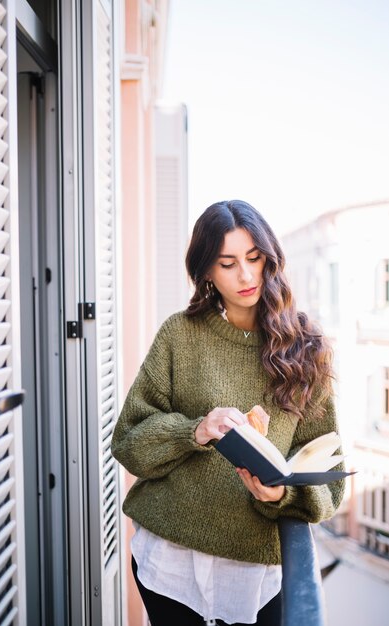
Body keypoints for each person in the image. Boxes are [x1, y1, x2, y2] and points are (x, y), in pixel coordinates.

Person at [111, 200, 345, 625]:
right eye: (228, 263)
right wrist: (195, 430)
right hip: (170, 559)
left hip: (255, 570)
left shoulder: (306, 348)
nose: (246, 275)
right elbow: (128, 442)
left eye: (255, 258)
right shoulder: (180, 335)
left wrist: (282, 494)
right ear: (206, 273)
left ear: (270, 259)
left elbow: (330, 484)